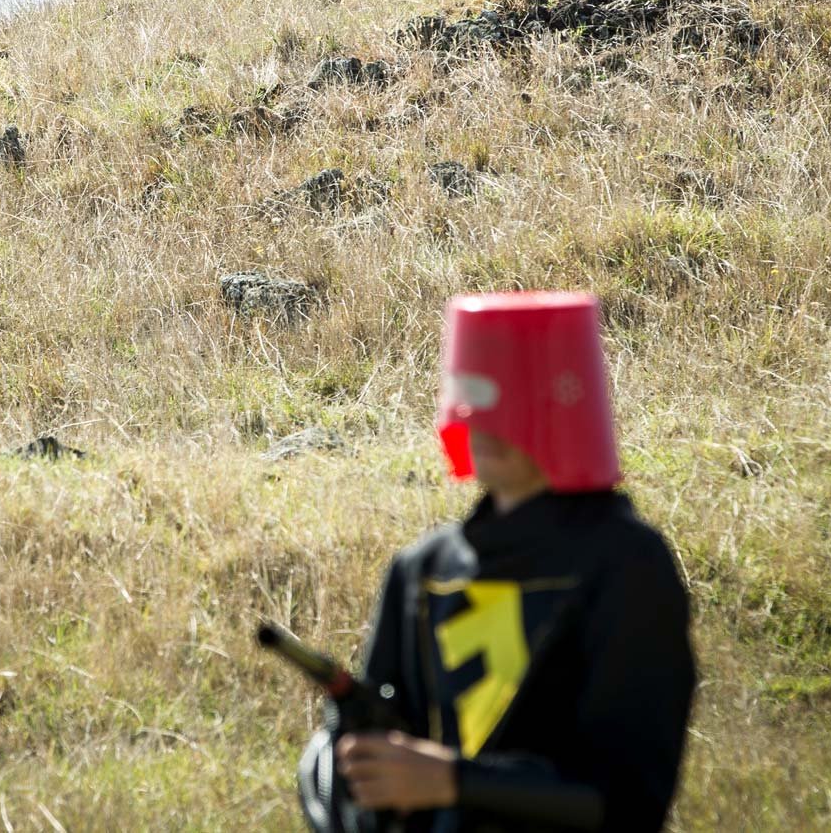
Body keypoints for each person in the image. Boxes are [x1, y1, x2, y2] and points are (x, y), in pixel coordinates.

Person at [296, 291, 697, 832]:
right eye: (469, 397)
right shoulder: (423, 569)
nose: (480, 423)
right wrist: (349, 760)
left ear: (561, 400)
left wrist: (453, 780)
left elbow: (628, 798)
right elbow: (384, 761)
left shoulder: (626, 566)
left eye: (501, 403)